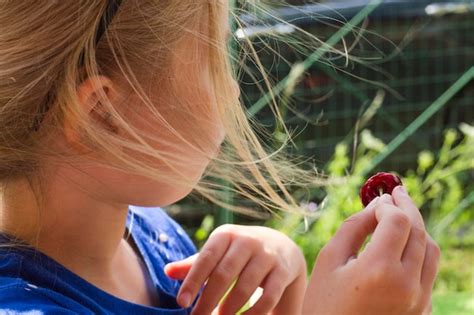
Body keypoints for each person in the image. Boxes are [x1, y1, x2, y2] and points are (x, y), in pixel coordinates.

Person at [0, 1, 439, 314]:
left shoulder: (150, 236)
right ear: (104, 116)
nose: (231, 90)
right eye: (216, 60)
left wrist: (288, 278)